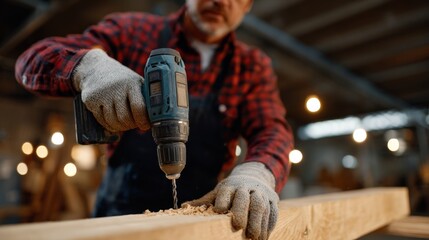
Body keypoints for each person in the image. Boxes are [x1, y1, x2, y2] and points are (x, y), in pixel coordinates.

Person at [15, 0, 294, 239]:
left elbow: (271, 130)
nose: (220, 0)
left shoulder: (251, 66)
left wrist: (258, 172)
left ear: (247, 6)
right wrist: (88, 67)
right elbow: (31, 60)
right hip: (118, 218)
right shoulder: (133, 31)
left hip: (203, 221)